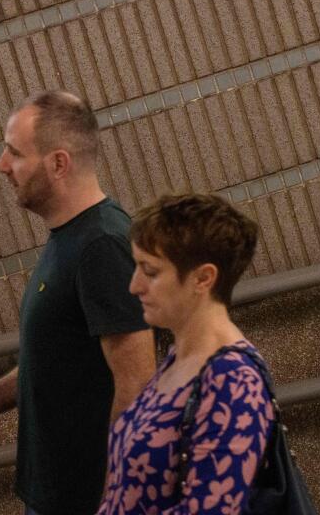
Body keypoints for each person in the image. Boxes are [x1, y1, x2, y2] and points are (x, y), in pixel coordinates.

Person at [0, 91, 155, 515]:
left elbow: (137, 383)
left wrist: (118, 500)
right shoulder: (71, 239)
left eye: (15, 153)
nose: (1, 166)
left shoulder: (102, 246)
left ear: (58, 163)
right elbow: (52, 356)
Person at [98, 193, 274, 515]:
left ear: (203, 278)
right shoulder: (180, 358)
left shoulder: (233, 381)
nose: (134, 286)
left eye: (149, 271)